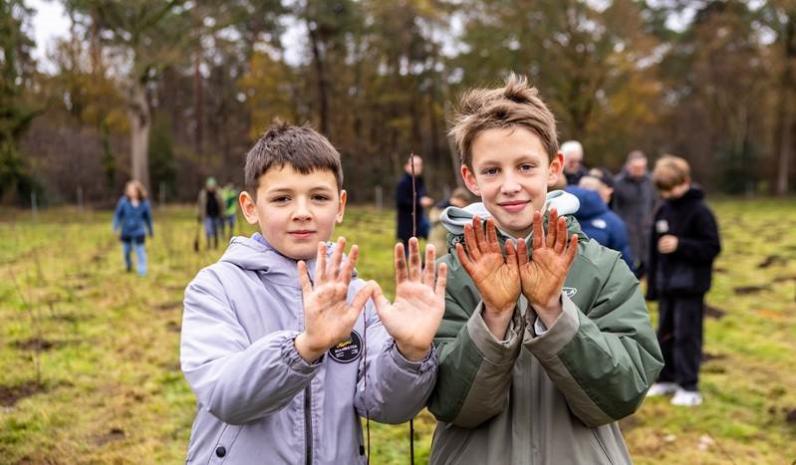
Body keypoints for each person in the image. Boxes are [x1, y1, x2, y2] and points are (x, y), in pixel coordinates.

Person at [428, 74, 663, 465]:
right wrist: (495, 317)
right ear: (469, 178)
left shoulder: (604, 269)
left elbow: (622, 393)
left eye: (525, 166)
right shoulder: (446, 276)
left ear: (553, 168)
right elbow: (452, 405)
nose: (510, 185)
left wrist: (554, 311)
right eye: (491, 171)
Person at [180, 122, 448, 465]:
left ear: (340, 205)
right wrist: (303, 349)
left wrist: (410, 353)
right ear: (249, 207)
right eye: (282, 198)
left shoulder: (357, 297)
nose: (302, 212)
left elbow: (388, 407)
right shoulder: (216, 288)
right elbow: (225, 395)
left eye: (319, 197)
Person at [646, 155, 721, 407]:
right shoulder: (663, 209)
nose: (668, 194)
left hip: (690, 286)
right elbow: (653, 249)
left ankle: (689, 386)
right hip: (667, 284)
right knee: (665, 333)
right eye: (664, 190)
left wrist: (681, 245)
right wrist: (653, 285)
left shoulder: (701, 211)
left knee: (687, 335)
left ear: (685, 181)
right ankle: (666, 379)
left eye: (672, 188)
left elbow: (712, 247)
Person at [567, 177, 635, 271]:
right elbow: (624, 261)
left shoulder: (560, 213)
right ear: (599, 193)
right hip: (601, 280)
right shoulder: (614, 222)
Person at [613, 151, 657, 278]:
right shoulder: (618, 183)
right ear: (628, 167)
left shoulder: (650, 182)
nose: (640, 171)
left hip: (646, 231)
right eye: (636, 168)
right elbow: (614, 207)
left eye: (642, 168)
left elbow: (655, 203)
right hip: (627, 231)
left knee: (647, 263)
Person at [112, 180, 153, 276]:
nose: (131, 192)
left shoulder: (145, 203)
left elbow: (148, 218)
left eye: (133, 190)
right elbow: (118, 215)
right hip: (126, 231)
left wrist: (150, 230)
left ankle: (142, 271)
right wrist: (115, 226)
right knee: (126, 251)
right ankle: (129, 265)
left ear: (138, 191)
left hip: (139, 231)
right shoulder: (123, 202)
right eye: (129, 190)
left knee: (140, 251)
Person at [396, 154, 433, 249]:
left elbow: (423, 194)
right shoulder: (403, 183)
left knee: (432, 237)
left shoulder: (420, 181)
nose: (418, 167)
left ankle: (427, 260)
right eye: (415, 165)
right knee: (408, 247)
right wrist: (419, 202)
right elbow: (401, 201)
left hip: (420, 218)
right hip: (407, 221)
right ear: (407, 166)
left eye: (420, 165)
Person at [428, 187, 471, 255]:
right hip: (439, 246)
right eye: (463, 201)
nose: (463, 205)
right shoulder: (444, 210)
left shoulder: (448, 210)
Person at [197, 177, 225, 250]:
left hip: (216, 215)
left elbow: (222, 204)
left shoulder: (218, 193)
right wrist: (199, 214)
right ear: (207, 186)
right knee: (208, 231)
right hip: (207, 216)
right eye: (209, 186)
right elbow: (199, 205)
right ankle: (208, 245)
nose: (211, 187)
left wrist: (222, 214)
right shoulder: (203, 194)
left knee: (215, 231)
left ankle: (215, 245)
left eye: (212, 186)